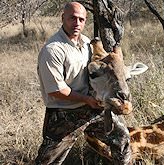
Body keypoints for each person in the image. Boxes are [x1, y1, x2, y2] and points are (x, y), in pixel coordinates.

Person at [35, 2, 130, 164]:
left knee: (121, 137)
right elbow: (55, 90)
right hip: (64, 113)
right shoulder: (53, 50)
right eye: (72, 18)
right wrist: (86, 100)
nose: (77, 23)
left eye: (81, 19)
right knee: (49, 161)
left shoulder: (86, 43)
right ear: (63, 18)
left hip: (92, 107)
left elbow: (102, 68)